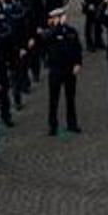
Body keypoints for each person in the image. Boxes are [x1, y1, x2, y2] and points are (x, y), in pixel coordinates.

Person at [42, 7, 83, 136]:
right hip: (55, 69)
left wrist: (78, 63)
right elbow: (46, 40)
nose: (63, 19)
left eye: (63, 16)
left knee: (70, 98)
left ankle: (72, 123)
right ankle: (52, 125)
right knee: (53, 99)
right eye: (59, 17)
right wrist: (56, 26)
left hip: (69, 69)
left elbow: (78, 48)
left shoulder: (71, 32)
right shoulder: (50, 32)